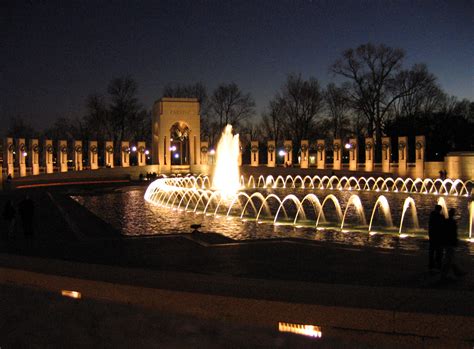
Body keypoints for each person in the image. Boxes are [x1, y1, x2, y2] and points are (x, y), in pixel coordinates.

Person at [441, 208, 466, 280]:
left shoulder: (446, 221)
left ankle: (457, 272)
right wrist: (455, 241)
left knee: (450, 257)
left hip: (447, 241)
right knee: (449, 258)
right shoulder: (452, 222)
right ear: (453, 214)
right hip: (450, 242)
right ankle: (445, 275)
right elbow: (454, 233)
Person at [428, 204, 444, 270]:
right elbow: (443, 226)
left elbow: (429, 225)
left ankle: (431, 265)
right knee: (438, 251)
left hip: (432, 236)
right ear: (440, 210)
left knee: (432, 251)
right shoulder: (440, 217)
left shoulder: (431, 216)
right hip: (438, 237)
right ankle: (438, 265)